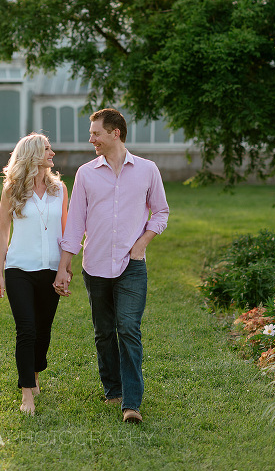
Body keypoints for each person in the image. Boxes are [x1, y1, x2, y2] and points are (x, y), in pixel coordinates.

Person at [53, 108, 169, 424]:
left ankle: (131, 403)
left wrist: (141, 244)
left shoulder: (147, 170)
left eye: (96, 133)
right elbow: (75, 224)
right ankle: (113, 388)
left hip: (132, 265)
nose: (91, 139)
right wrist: (64, 267)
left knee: (128, 329)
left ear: (114, 133)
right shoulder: (86, 173)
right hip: (96, 265)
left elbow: (160, 213)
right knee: (104, 332)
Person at [0, 133, 69, 416]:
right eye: (47, 149)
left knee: (43, 330)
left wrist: (65, 268)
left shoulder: (59, 189)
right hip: (19, 269)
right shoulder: (11, 190)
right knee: (26, 329)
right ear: (34, 154)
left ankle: (35, 372)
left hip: (50, 268)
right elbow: (2, 233)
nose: (52, 153)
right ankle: (27, 393)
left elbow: (67, 231)